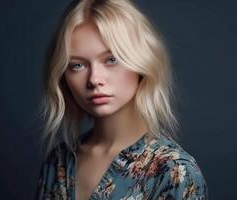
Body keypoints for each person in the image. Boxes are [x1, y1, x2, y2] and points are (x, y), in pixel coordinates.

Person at [36, 0, 208, 199]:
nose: (94, 80)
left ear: (141, 62)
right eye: (77, 65)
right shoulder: (59, 161)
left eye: (111, 60)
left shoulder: (174, 172)